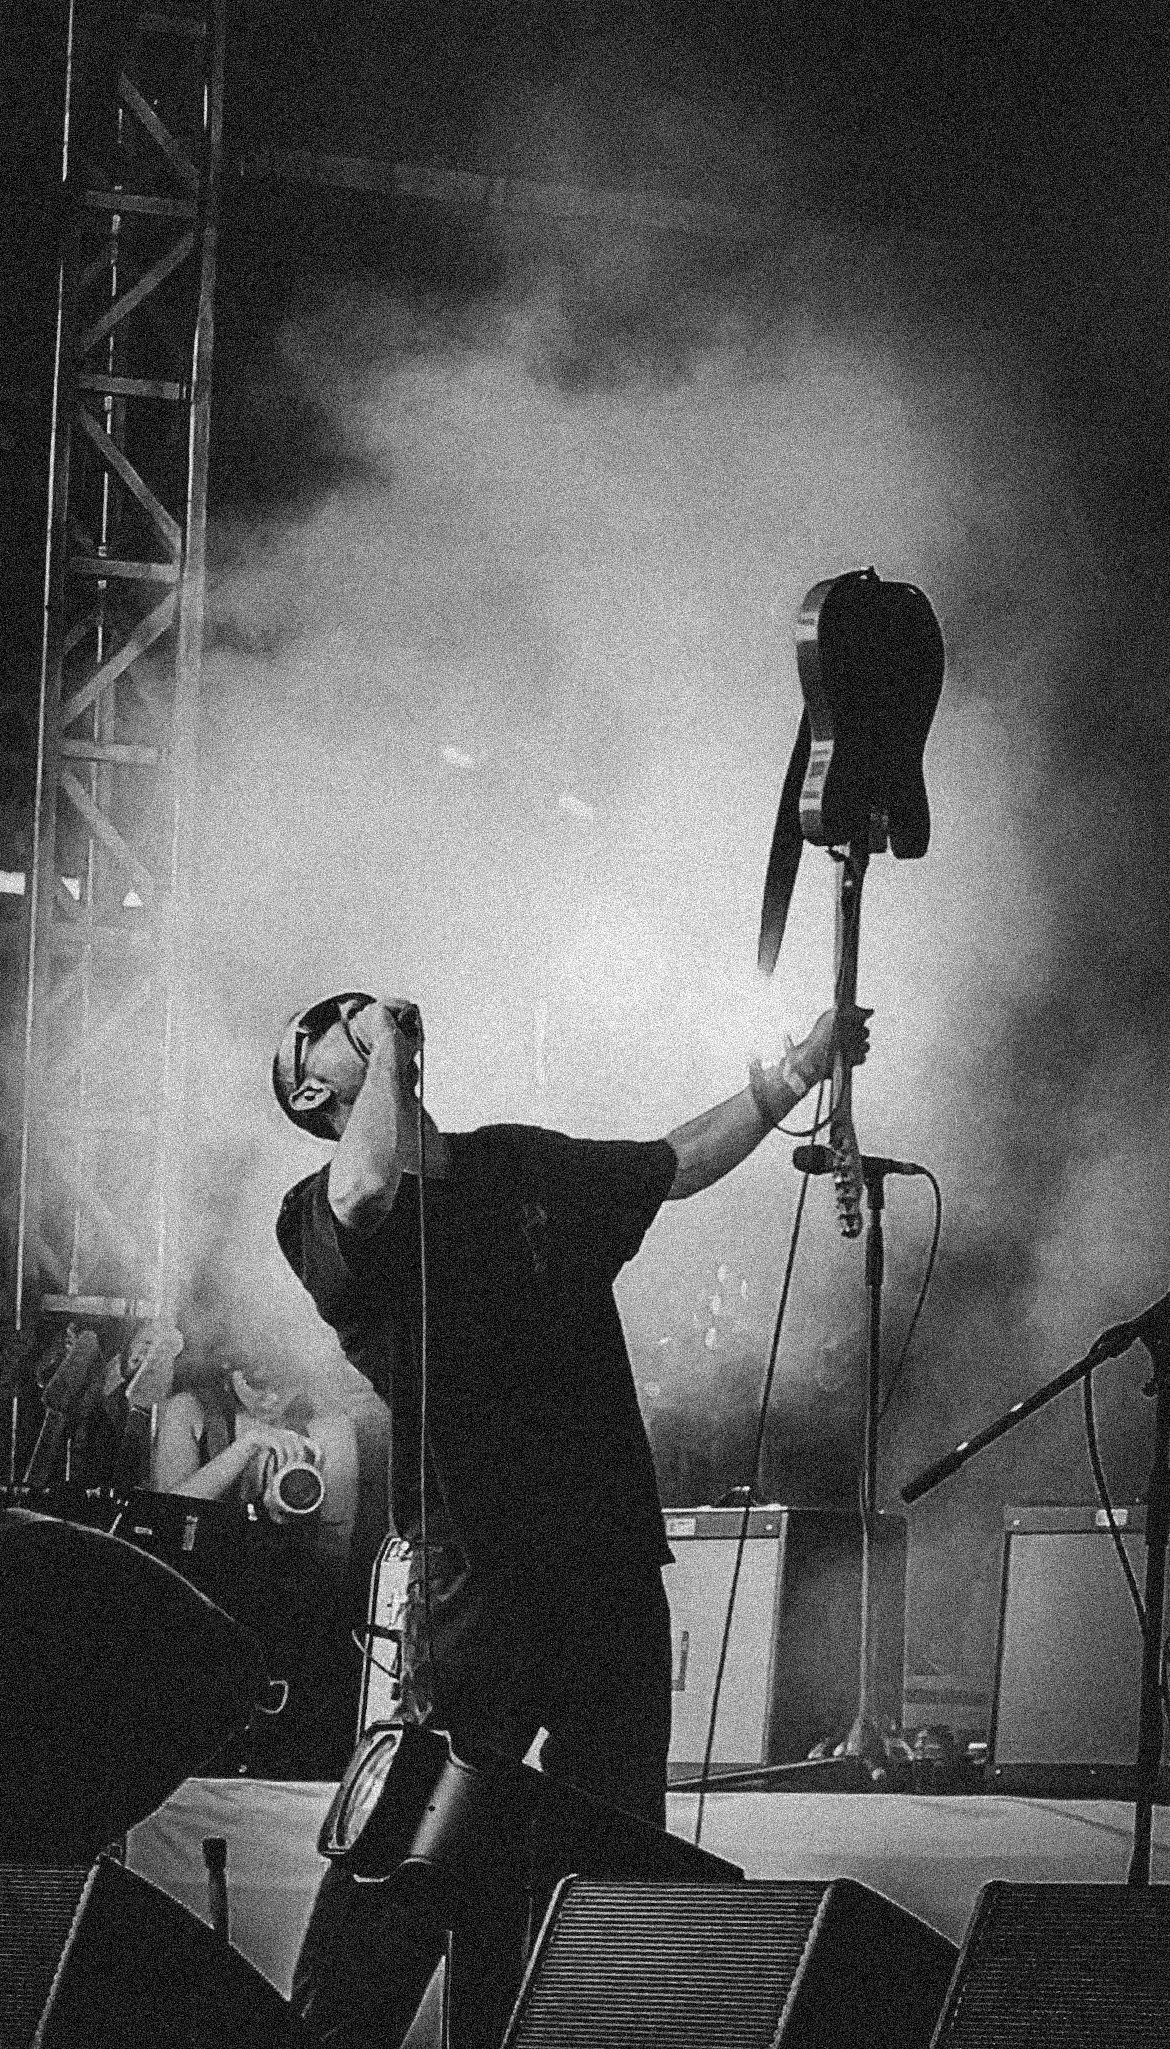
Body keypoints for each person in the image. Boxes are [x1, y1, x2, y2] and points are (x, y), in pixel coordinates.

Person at [271, 989, 869, 2049]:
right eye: (336, 1024)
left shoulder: (517, 1161)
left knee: (613, 1852)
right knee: (426, 1841)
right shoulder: (318, 1212)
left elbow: (673, 1164)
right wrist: (389, 1038)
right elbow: (368, 1183)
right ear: (316, 1090)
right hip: (478, 1574)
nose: (364, 1013)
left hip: (607, 1562)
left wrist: (796, 1074)